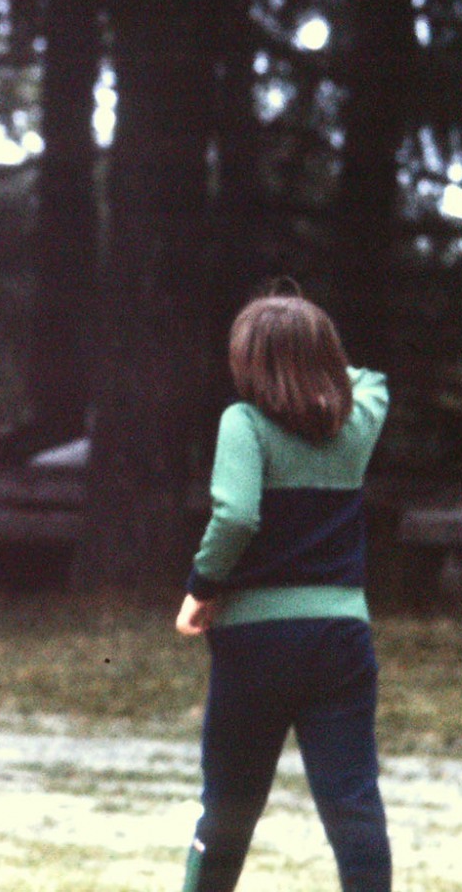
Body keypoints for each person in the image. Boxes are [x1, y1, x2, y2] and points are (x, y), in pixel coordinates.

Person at [175, 290, 392, 892]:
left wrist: (201, 587)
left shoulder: (243, 424)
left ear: (249, 361)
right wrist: (312, 360)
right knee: (353, 802)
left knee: (229, 805)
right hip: (340, 635)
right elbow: (367, 377)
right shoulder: (361, 416)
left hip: (254, 641)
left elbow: (236, 517)